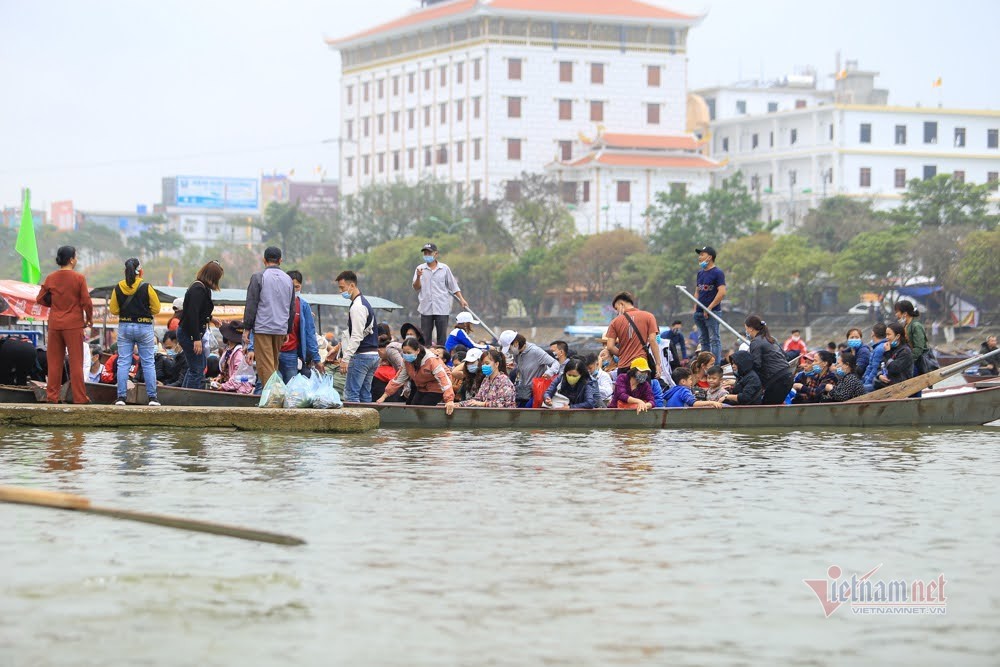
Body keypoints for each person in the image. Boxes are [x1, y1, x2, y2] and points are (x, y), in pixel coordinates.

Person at [36, 246, 93, 404]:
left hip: (54, 323)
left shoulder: (51, 278)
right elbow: (86, 302)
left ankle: (52, 397)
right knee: (76, 363)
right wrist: (89, 319)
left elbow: (40, 298)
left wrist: (55, 304)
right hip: (73, 324)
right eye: (76, 256)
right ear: (71, 259)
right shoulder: (79, 278)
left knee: (54, 362)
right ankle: (79, 398)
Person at [109, 258, 161, 406]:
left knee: (123, 362)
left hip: (125, 326)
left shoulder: (118, 287)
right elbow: (156, 309)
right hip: (144, 326)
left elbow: (113, 310)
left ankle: (121, 397)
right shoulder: (146, 286)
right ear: (141, 271)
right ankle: (152, 398)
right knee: (148, 362)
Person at [243, 247, 295, 387]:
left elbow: (251, 304)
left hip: (263, 327)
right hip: (280, 328)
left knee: (265, 366)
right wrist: (288, 330)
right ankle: (275, 395)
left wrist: (247, 328)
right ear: (280, 260)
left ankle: (272, 399)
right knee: (273, 364)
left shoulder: (258, 277)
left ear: (264, 260)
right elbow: (291, 307)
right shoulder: (288, 280)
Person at [335, 270, 380, 403]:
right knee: (365, 394)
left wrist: (346, 358)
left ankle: (353, 424)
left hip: (362, 356)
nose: (340, 291)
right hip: (372, 355)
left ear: (352, 285)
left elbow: (356, 336)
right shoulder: (363, 303)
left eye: (342, 287)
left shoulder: (357, 307)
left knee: (351, 395)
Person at [178, 260, 223, 390]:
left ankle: (185, 396)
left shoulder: (203, 288)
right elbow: (192, 315)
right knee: (197, 368)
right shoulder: (198, 289)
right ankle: (189, 400)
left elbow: (199, 313)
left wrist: (212, 318)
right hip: (189, 333)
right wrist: (196, 339)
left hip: (190, 332)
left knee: (195, 367)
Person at [377, 336, 455, 410]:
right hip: (422, 386)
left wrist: (449, 400)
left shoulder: (431, 360)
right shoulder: (406, 361)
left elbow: (443, 379)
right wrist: (384, 396)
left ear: (417, 351)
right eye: (404, 352)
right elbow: (398, 380)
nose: (406, 355)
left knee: (422, 410)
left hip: (438, 386)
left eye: (409, 352)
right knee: (413, 407)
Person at [412, 241, 468, 346]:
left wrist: (461, 299)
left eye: (429, 253)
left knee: (441, 336)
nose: (427, 255)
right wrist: (419, 276)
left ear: (436, 254)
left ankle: (442, 358)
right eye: (425, 253)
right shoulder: (420, 269)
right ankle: (427, 358)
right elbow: (416, 287)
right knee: (425, 337)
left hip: (441, 307)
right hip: (426, 307)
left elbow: (453, 285)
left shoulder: (444, 269)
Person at [277, 270, 322, 383]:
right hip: (273, 352)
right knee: (270, 387)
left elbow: (310, 333)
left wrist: (316, 359)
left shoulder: (303, 306)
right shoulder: (275, 302)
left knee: (291, 388)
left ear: (301, 286)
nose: (294, 290)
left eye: (297, 287)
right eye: (291, 286)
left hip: (291, 354)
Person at [497, 330, 560, 407]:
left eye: (509, 348)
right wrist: (515, 366)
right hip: (524, 391)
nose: (510, 351)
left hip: (536, 392)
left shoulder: (535, 352)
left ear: (516, 343)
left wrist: (549, 372)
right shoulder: (517, 354)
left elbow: (555, 363)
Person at [606, 291, 659, 379]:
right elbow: (653, 341)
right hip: (642, 366)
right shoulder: (649, 316)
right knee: (644, 392)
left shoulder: (615, 322)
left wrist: (623, 354)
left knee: (624, 392)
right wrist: (658, 364)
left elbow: (610, 346)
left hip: (623, 367)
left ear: (621, 304)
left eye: (616, 308)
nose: (617, 312)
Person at [744, 315, 794, 405]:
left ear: (751, 328)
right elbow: (785, 356)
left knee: (766, 407)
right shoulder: (771, 339)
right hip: (788, 376)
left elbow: (756, 365)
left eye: (746, 328)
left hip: (777, 380)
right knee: (774, 405)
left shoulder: (755, 342)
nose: (746, 331)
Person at [693, 245, 726, 362]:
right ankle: (705, 364)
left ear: (710, 257)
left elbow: (722, 292)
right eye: (699, 255)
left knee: (714, 340)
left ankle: (715, 365)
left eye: (702, 255)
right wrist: (695, 308)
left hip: (713, 312)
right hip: (699, 312)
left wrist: (709, 308)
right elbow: (697, 291)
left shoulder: (718, 273)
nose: (699, 257)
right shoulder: (700, 273)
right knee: (703, 340)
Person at [212, 321, 254, 394]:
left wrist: (225, 386)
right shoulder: (228, 350)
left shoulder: (239, 353)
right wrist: (220, 377)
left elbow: (240, 377)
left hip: (240, 390)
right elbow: (227, 369)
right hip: (231, 386)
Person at [874, 322, 914, 389]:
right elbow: (880, 365)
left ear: (897, 336)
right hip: (886, 385)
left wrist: (887, 353)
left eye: (889, 334)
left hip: (900, 387)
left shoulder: (905, 351)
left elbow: (894, 368)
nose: (887, 337)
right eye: (886, 335)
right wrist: (880, 375)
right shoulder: (890, 348)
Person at [894, 300, 928, 375]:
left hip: (917, 363)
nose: (896, 315)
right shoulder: (905, 325)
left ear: (905, 313)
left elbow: (919, 348)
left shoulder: (916, 326)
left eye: (897, 312)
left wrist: (907, 362)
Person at [862, 323, 888, 392]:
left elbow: (874, 369)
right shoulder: (878, 347)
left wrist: (865, 383)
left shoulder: (880, 348)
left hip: (873, 383)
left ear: (873, 333)